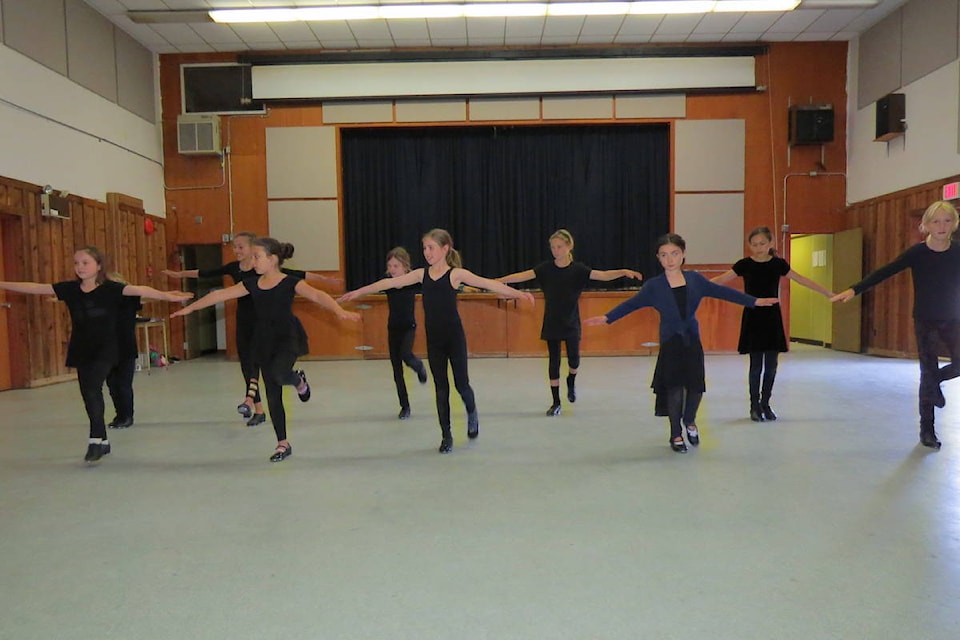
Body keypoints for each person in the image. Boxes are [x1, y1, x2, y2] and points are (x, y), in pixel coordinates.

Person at [340, 228, 535, 453]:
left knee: (461, 385)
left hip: (454, 338)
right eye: (424, 248)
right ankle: (446, 435)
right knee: (441, 388)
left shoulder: (455, 275)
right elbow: (387, 284)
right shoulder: (420, 275)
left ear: (445, 249)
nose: (426, 252)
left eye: (431, 247)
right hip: (435, 342)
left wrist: (519, 294)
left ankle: (472, 413)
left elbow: (487, 284)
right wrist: (358, 292)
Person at [584, 233, 778, 454]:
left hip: (692, 340)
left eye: (674, 253)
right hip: (670, 341)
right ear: (658, 258)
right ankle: (675, 433)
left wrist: (754, 301)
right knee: (674, 389)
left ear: (683, 254)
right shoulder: (654, 286)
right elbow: (632, 304)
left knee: (696, 387)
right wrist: (607, 317)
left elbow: (722, 292)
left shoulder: (695, 279)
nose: (670, 259)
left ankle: (690, 420)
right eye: (664, 255)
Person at [172, 237, 361, 462]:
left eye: (257, 256)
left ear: (272, 259)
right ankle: (283, 443)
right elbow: (219, 295)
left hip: (287, 337)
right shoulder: (251, 283)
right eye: (252, 257)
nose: (253, 261)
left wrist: (338, 310)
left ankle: (299, 381)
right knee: (273, 394)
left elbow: (318, 295)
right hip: (263, 340)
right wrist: (190, 309)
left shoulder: (290, 282)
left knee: (280, 374)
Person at [0, 246, 193, 463]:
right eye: (76, 263)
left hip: (108, 348)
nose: (80, 267)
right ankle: (102, 440)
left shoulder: (111, 288)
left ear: (98, 266)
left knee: (93, 387)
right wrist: (3, 283)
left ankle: (94, 439)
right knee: (89, 393)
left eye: (85, 262)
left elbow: (142, 290)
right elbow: (36, 288)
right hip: (82, 347)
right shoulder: (71, 289)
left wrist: (168, 296)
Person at [833, 200, 960, 450]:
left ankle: (935, 382)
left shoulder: (958, 251)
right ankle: (927, 430)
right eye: (936, 221)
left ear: (954, 224)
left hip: (953, 317)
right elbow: (885, 271)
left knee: (942, 372)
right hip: (925, 320)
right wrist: (854, 289)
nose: (942, 226)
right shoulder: (917, 253)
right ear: (926, 225)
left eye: (947, 221)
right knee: (926, 371)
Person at [497, 229, 642, 416]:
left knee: (574, 360)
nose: (556, 251)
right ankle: (556, 402)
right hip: (551, 322)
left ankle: (571, 380)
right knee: (554, 361)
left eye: (559, 247)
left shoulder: (579, 270)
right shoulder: (545, 269)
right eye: (553, 247)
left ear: (569, 247)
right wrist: (498, 281)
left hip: (571, 322)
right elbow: (521, 276)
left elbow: (603, 275)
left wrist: (623, 271)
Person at [712, 226, 834, 422]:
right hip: (752, 315)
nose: (759, 248)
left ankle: (766, 404)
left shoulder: (778, 264)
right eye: (754, 244)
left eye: (762, 243)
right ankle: (754, 406)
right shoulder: (744, 264)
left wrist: (827, 292)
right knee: (755, 366)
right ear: (749, 245)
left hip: (771, 317)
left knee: (771, 365)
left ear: (771, 244)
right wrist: (693, 287)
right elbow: (721, 280)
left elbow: (801, 279)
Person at [382, 247, 429, 420]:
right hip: (392, 328)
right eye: (390, 266)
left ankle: (419, 367)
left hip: (409, 326)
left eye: (396, 266)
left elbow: (432, 284)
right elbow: (372, 287)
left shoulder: (413, 282)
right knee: (396, 370)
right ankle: (405, 406)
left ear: (405, 267)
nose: (393, 269)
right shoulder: (387, 282)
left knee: (406, 354)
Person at [105, 273, 142, 430]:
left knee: (124, 385)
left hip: (126, 347)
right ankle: (119, 415)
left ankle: (127, 416)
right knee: (112, 384)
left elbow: (146, 296)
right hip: (107, 348)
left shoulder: (131, 299)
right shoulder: (104, 302)